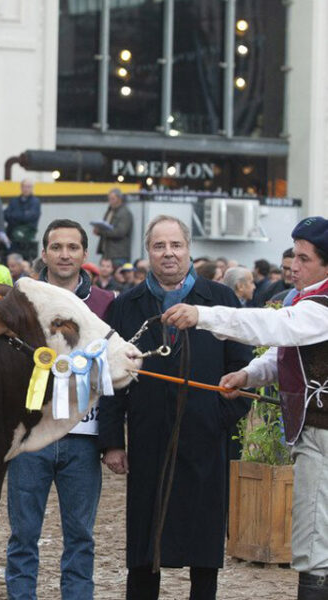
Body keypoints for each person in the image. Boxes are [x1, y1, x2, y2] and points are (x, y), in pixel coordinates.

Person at [161, 215, 328, 600]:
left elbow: (275, 327)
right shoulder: (303, 298)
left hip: (322, 435)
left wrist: (203, 315)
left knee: (314, 544)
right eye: (294, 257)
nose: (294, 266)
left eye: (304, 258)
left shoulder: (320, 304)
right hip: (312, 434)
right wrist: (248, 375)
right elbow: (282, 351)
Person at [98, 215, 252, 600]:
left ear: (189, 248)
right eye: (159, 246)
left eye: (176, 245)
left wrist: (218, 417)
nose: (168, 254)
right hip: (148, 439)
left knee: (203, 544)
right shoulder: (126, 306)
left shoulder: (220, 300)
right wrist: (113, 441)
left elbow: (242, 370)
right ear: (147, 251)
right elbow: (111, 382)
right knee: (145, 544)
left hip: (205, 439)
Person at [6, 219, 114, 600]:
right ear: (44, 252)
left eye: (72, 247)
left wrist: (114, 439)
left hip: (84, 436)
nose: (64, 254)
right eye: (56, 247)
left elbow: (116, 374)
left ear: (86, 254)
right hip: (31, 435)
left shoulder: (106, 303)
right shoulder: (23, 300)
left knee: (81, 537)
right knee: (22, 535)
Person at [93, 188, 133, 265]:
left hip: (118, 255)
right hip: (107, 253)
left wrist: (100, 231)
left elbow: (120, 232)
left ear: (120, 199)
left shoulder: (125, 213)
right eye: (109, 199)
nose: (110, 201)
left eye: (112, 199)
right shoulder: (110, 211)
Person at [4, 179, 41, 259]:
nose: (26, 189)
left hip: (26, 236)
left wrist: (14, 216)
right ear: (21, 188)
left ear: (32, 188)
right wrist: (22, 215)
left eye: (28, 187)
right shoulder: (14, 201)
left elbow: (30, 217)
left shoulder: (35, 202)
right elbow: (5, 215)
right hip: (11, 235)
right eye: (24, 186)